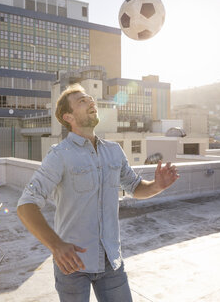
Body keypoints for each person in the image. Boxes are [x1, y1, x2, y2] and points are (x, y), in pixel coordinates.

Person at [17, 84, 179, 302]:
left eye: (90, 98)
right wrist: (56, 246)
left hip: (111, 260)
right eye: (82, 101)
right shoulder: (59, 155)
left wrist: (157, 186)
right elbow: (26, 205)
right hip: (73, 264)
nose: (91, 101)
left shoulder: (114, 151)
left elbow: (135, 187)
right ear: (68, 117)